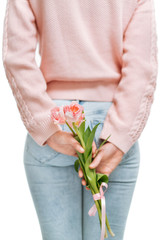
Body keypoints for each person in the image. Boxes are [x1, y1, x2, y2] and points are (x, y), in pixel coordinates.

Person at [2, 0, 158, 239]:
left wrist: (49, 128)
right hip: (111, 126)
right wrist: (119, 139)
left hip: (55, 125)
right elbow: (142, 67)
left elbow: (16, 57)